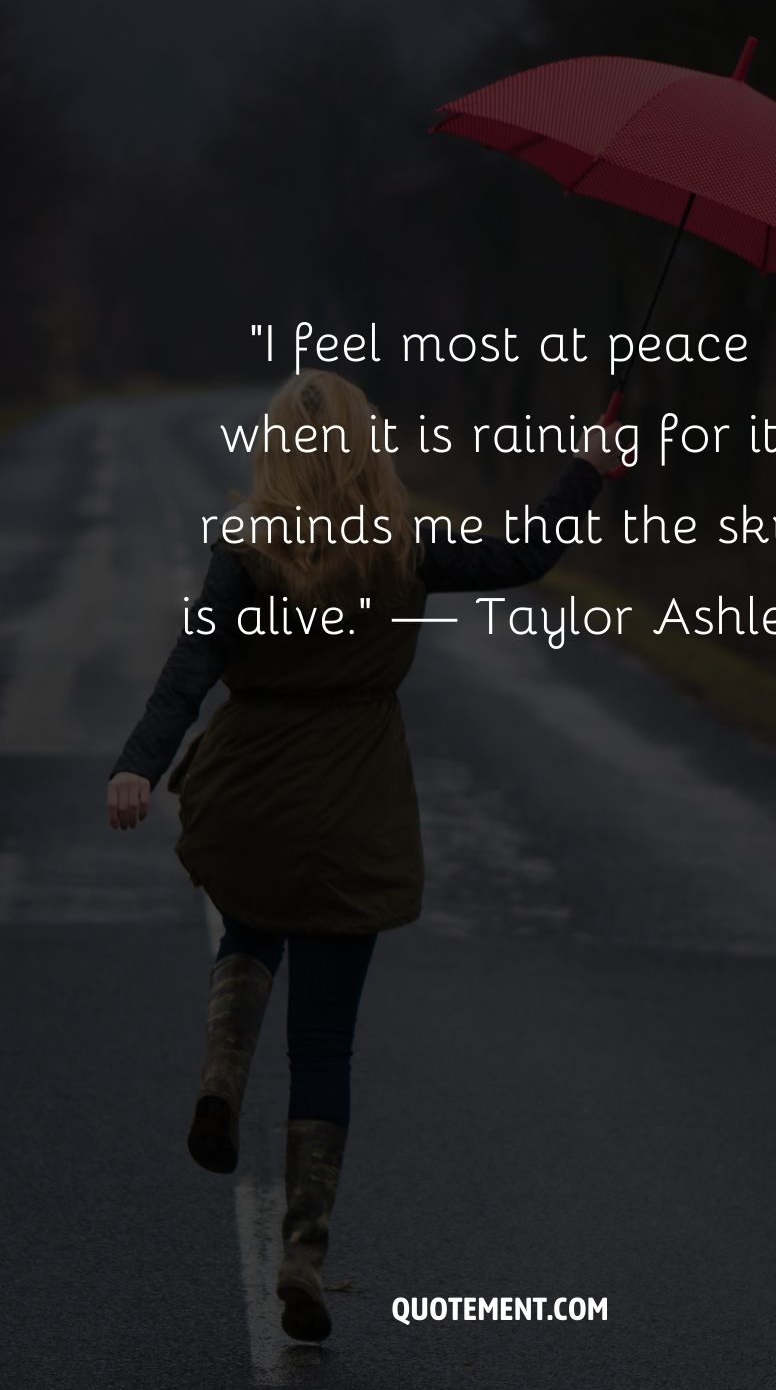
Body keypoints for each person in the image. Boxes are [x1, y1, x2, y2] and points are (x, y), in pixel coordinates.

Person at [108, 369, 619, 1343]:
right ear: (366, 453)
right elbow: (522, 557)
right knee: (326, 1045)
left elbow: (189, 670)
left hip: (252, 789)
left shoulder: (245, 554)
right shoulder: (403, 551)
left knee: (251, 919)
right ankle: (302, 1252)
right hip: (355, 809)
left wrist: (138, 766)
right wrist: (584, 472)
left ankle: (222, 1068)